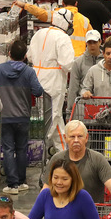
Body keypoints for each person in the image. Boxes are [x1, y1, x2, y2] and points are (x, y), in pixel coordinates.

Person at [42, 120, 111, 219]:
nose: (76, 140)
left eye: (80, 136)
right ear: (65, 138)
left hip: (90, 218)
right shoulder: (57, 159)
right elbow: (46, 189)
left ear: (86, 138)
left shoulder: (97, 159)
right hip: (62, 217)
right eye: (72, 137)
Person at [0, 40, 44, 192]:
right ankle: (21, 181)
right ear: (25, 56)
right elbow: (38, 91)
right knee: (21, 149)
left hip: (5, 116)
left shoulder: (0, 70)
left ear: (9, 53)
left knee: (7, 149)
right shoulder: (29, 72)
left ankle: (11, 184)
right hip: (23, 116)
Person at [27, 11, 75, 154]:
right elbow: (67, 64)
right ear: (65, 21)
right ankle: (37, 149)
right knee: (52, 117)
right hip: (53, 80)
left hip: (34, 77)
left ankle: (63, 151)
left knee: (53, 116)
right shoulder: (63, 38)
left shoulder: (39, 33)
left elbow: (29, 56)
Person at [29, 159, 100, 219]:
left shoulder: (82, 196)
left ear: (73, 180)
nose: (59, 182)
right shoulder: (45, 194)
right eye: (55, 178)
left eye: (64, 179)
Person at [16, 0, 92, 57]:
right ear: (76, 3)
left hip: (61, 55)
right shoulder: (84, 20)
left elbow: (40, 13)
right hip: (79, 56)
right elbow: (92, 36)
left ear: (62, 3)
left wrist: (24, 5)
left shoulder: (56, 16)